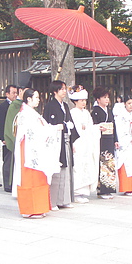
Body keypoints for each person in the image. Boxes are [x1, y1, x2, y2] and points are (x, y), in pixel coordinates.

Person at [13, 88, 63, 218]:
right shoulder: (25, 114)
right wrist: (53, 129)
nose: (38, 100)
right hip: (29, 152)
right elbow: (35, 132)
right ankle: (30, 209)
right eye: (36, 97)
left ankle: (39, 207)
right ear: (28, 99)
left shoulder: (32, 113)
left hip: (36, 150)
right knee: (30, 179)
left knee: (39, 178)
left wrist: (52, 129)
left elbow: (42, 129)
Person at [43, 80, 79, 210]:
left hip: (66, 139)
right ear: (55, 91)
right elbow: (49, 125)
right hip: (56, 141)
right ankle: (53, 201)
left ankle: (64, 199)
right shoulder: (50, 106)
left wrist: (72, 140)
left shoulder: (65, 105)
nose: (64, 91)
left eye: (65, 89)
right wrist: (64, 126)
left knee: (67, 169)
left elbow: (70, 122)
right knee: (57, 169)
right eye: (62, 89)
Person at [69, 85, 100, 203]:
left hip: (87, 142)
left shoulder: (86, 113)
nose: (83, 103)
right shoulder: (73, 113)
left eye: (84, 100)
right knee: (78, 167)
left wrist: (96, 128)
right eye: (81, 100)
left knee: (87, 165)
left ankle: (84, 191)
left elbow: (90, 126)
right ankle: (76, 192)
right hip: (78, 142)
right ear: (75, 101)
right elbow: (74, 129)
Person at [91, 86, 118, 199]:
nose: (107, 100)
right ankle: (101, 190)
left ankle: (109, 188)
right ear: (98, 99)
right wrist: (98, 127)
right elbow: (93, 126)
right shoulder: (95, 112)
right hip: (101, 139)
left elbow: (114, 126)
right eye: (104, 97)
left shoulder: (109, 111)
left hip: (110, 138)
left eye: (108, 97)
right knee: (102, 164)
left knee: (109, 164)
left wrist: (116, 140)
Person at [0, 84, 17, 192]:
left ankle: (13, 181)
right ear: (7, 94)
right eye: (13, 92)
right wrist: (3, 137)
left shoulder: (17, 105)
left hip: (15, 136)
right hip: (7, 137)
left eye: (16, 92)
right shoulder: (3, 107)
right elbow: (1, 123)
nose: (15, 95)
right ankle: (7, 184)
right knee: (8, 160)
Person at [3, 86, 25, 192]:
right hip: (12, 137)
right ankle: (8, 183)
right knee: (9, 161)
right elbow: (9, 122)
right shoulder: (14, 105)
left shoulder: (24, 105)